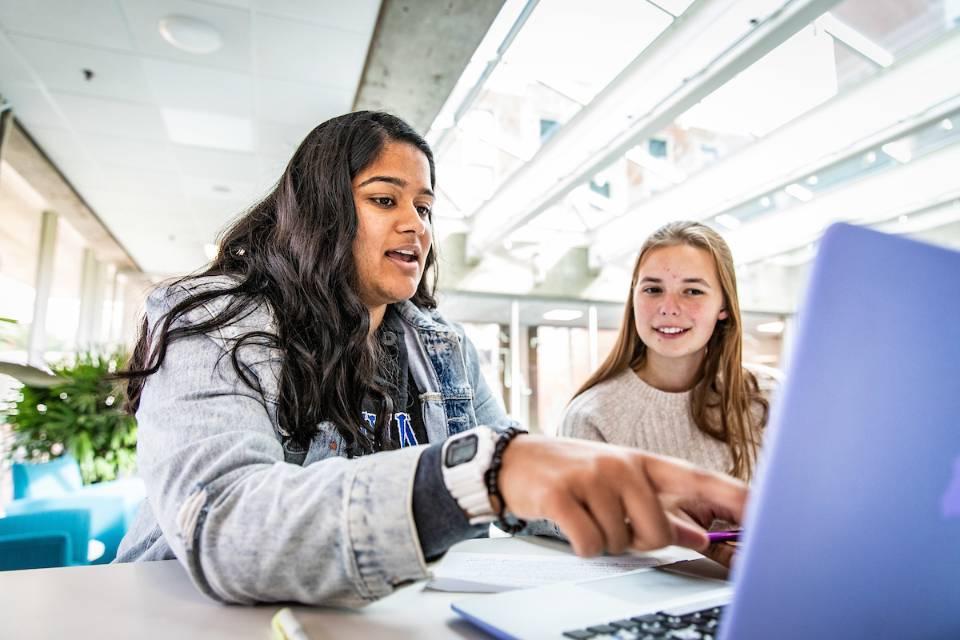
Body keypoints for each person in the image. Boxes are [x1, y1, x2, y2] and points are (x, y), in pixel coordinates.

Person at [116, 112, 748, 607]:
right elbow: (228, 523)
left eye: (424, 207)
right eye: (385, 200)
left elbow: (518, 486)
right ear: (319, 207)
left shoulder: (440, 344)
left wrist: (650, 513)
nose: (416, 225)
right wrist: (476, 475)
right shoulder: (212, 320)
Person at [560, 221, 777, 482]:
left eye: (693, 291)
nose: (669, 308)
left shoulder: (771, 396)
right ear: (634, 300)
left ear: (724, 306)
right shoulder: (591, 417)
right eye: (653, 290)